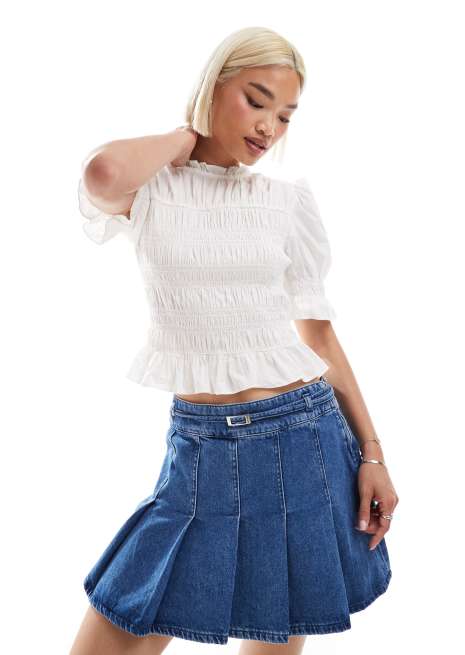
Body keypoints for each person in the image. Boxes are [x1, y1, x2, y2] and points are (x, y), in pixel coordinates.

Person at [70, 26, 399, 655]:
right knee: (117, 626)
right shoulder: (155, 189)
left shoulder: (284, 203)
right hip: (203, 451)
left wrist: (374, 454)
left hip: (304, 438)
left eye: (285, 115)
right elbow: (102, 172)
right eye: (256, 100)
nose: (269, 127)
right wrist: (184, 138)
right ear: (214, 87)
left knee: (274, 639)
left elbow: (319, 336)